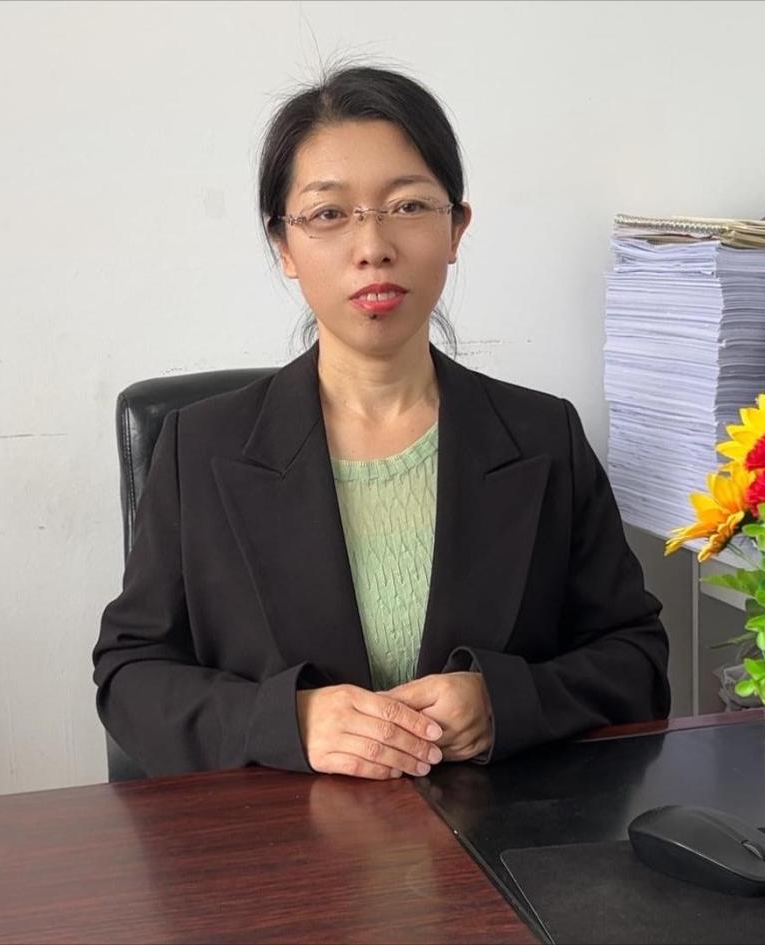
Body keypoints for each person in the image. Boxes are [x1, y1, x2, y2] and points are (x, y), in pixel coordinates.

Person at [93, 65, 670, 781]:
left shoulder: (543, 438)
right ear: (283, 245)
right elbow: (130, 674)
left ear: (456, 228)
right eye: (329, 214)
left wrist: (504, 703)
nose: (373, 246)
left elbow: (635, 658)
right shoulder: (200, 448)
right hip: (280, 841)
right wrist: (289, 721)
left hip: (497, 834)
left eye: (408, 205)